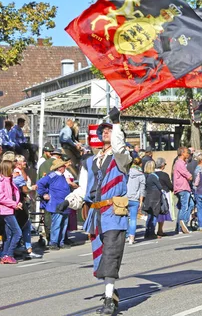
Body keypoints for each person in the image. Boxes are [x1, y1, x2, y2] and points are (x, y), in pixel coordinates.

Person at [56, 107, 132, 315]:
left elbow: (118, 147)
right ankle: (111, 291)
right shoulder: (89, 161)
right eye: (104, 130)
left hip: (114, 214)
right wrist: (68, 201)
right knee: (100, 259)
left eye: (110, 130)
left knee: (111, 256)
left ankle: (108, 299)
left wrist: (117, 123)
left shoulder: (122, 157)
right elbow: (83, 187)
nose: (106, 132)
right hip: (96, 215)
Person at [37, 158, 72, 250]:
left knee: (63, 224)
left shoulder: (62, 176)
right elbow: (40, 183)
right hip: (56, 203)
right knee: (57, 224)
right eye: (63, 166)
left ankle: (61, 242)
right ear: (60, 168)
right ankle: (54, 242)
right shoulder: (52, 175)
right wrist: (44, 194)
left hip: (64, 203)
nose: (65, 167)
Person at [0, 160, 24, 264]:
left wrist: (17, 203)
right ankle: (9, 254)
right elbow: (1, 198)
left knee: (9, 234)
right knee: (18, 232)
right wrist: (13, 204)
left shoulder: (10, 180)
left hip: (11, 209)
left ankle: (4, 255)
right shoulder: (0, 181)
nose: (13, 171)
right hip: (5, 211)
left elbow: (13, 194)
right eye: (12, 169)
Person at [126, 157, 146, 244]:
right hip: (135, 199)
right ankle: (132, 238)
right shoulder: (141, 175)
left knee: (124, 218)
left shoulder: (127, 173)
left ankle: (126, 235)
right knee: (133, 219)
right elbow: (142, 190)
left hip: (125, 198)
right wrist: (141, 202)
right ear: (140, 164)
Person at [173, 147, 193, 234]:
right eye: (186, 152)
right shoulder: (179, 163)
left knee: (190, 204)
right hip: (182, 187)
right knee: (184, 206)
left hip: (185, 187)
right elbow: (187, 174)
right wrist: (191, 176)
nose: (188, 154)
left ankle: (180, 225)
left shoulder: (183, 163)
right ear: (182, 153)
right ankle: (182, 225)